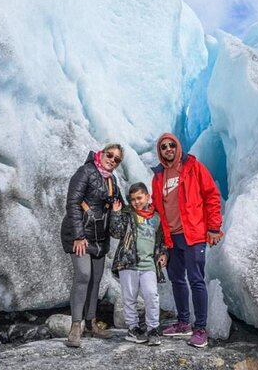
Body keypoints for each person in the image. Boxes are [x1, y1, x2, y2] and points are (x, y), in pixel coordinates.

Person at [152, 133, 222, 348]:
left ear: (178, 147)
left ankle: (200, 328)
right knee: (177, 280)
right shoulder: (158, 177)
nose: (168, 149)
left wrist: (213, 228)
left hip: (193, 234)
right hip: (172, 238)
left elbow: (212, 196)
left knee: (196, 280)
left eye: (171, 145)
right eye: (163, 147)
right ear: (160, 151)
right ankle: (184, 323)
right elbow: (155, 207)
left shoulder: (193, 167)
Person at [60, 143, 125, 348]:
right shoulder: (85, 172)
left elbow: (120, 205)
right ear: (102, 153)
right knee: (83, 275)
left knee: (96, 279)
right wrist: (79, 236)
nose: (112, 160)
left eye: (116, 159)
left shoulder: (112, 180)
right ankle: (75, 326)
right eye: (110, 155)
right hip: (80, 236)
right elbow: (72, 203)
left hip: (99, 238)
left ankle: (91, 323)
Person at [109, 182, 168, 346]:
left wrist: (164, 253)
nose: (136, 202)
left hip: (149, 264)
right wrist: (115, 213)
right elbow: (116, 232)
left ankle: (153, 328)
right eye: (133, 199)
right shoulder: (127, 214)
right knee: (130, 298)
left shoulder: (156, 218)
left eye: (139, 198)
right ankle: (133, 328)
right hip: (128, 263)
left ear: (147, 197)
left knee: (152, 295)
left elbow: (161, 240)